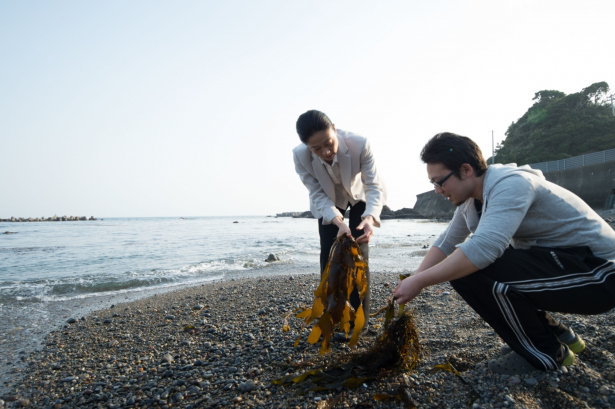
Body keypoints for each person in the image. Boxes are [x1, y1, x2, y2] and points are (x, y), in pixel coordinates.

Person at [394, 132, 615, 375]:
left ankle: (547, 354)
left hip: (600, 274)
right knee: (467, 265)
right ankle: (556, 333)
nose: (437, 190)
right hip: (565, 264)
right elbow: (446, 242)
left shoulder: (511, 184)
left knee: (468, 271)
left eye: (439, 181)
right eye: (432, 183)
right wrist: (413, 280)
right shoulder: (471, 200)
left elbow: (483, 249)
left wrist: (421, 282)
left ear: (466, 170)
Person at [293, 110, 387, 340]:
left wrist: (369, 218)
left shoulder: (360, 144)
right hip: (328, 201)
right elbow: (317, 193)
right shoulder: (300, 157)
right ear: (306, 146)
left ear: (335, 129)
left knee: (358, 256)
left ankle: (359, 323)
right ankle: (332, 317)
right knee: (329, 256)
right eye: (317, 149)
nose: (325, 152)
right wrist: (337, 221)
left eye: (329, 143)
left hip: (358, 197)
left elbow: (373, 186)